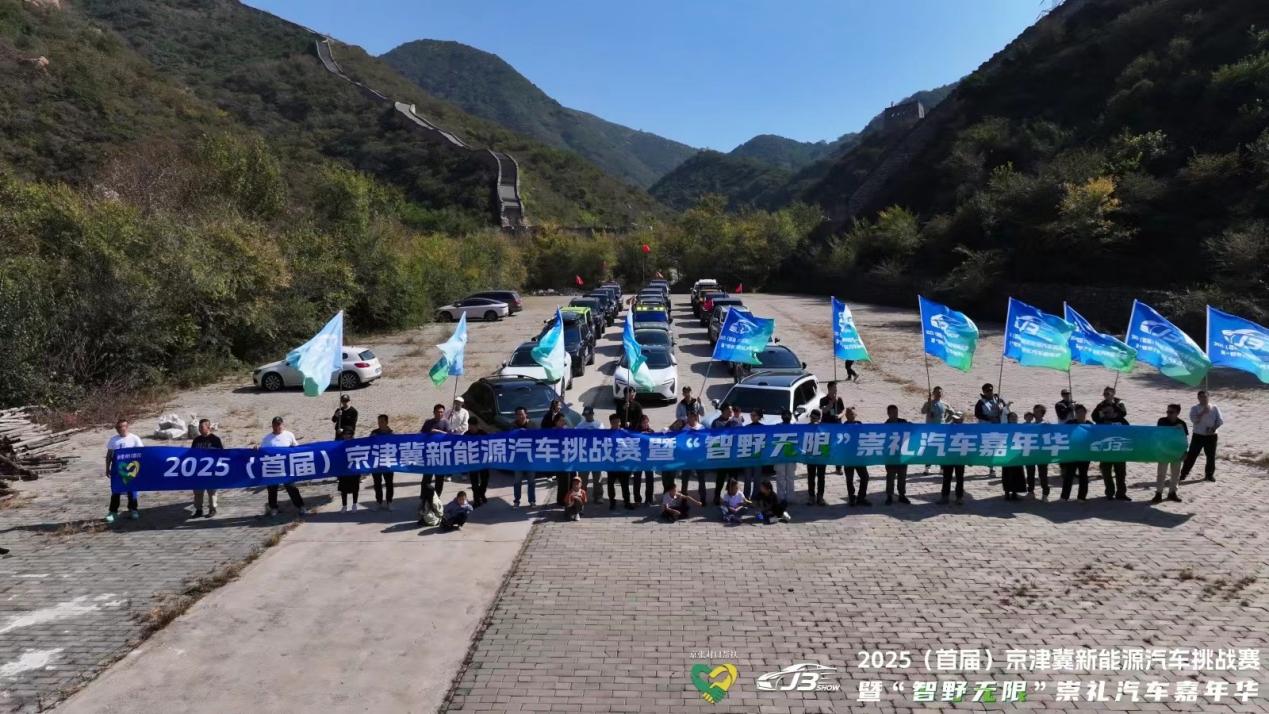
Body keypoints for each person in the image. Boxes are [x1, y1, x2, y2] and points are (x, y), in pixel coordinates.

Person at [261, 417, 308, 517]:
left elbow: (296, 448)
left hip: (287, 468)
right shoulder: (267, 438)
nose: (277, 426)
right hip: (273, 467)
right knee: (272, 489)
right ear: (272, 425)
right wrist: (256, 449)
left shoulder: (289, 435)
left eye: (279, 424)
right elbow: (262, 452)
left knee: (291, 487)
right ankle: (273, 508)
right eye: (275, 424)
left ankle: (301, 506)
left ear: (282, 424)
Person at [1092, 386, 1130, 501]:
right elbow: (1094, 417)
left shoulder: (1120, 407)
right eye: (1105, 394)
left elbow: (1123, 413)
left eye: (1108, 393)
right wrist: (1104, 410)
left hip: (1119, 448)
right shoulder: (1101, 407)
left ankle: (1121, 493)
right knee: (1106, 471)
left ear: (1114, 394)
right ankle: (1109, 492)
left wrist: (1113, 403)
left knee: (1121, 473)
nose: (1106, 396)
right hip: (1105, 448)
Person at [105, 418, 144, 524]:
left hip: (132, 469)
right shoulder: (113, 440)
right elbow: (109, 455)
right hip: (117, 469)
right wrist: (107, 468)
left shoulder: (135, 439)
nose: (120, 429)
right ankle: (113, 512)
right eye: (118, 427)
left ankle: (133, 510)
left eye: (122, 426)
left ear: (127, 427)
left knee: (132, 490)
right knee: (116, 490)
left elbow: (142, 454)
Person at [1181, 390, 1222, 482]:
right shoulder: (1194, 408)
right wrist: (1203, 412)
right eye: (1201, 397)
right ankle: (1183, 474)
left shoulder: (1215, 408)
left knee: (1211, 456)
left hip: (1211, 436)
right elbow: (1194, 420)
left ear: (1208, 397)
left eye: (1205, 396)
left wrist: (1213, 428)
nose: (1204, 398)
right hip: (1198, 435)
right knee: (1192, 455)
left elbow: (1220, 421)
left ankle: (1209, 475)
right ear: (1198, 398)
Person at [1153, 404, 1188, 503]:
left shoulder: (1182, 423)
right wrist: (1174, 429)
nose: (1168, 414)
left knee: (1175, 474)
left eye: (1171, 412)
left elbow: (1184, 439)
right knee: (1161, 474)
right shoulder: (1162, 421)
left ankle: (1172, 492)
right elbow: (1159, 434)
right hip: (1163, 450)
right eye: (1167, 411)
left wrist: (1185, 451)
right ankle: (1158, 493)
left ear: (1177, 413)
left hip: (1177, 451)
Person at [420, 403, 451, 505]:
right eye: (438, 412)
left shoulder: (446, 423)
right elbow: (421, 435)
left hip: (441, 455)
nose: (440, 413)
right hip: (429, 454)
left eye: (442, 412)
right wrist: (430, 433)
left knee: (439, 479)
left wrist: (438, 432)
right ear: (434, 412)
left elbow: (450, 436)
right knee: (426, 479)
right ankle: (424, 498)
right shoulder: (428, 422)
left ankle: (436, 498)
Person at [1060, 405, 1092, 501]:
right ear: (1075, 413)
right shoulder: (1070, 423)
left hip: (1085, 455)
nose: (1080, 414)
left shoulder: (1090, 424)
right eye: (1078, 412)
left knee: (1083, 475)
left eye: (1082, 412)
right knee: (1069, 475)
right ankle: (1064, 496)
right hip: (1072, 454)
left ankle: (1081, 497)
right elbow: (1060, 430)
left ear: (1085, 413)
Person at [190, 418, 222, 518]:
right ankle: (198, 510)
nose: (199, 429)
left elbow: (221, 455)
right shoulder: (196, 440)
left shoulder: (215, 440)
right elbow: (191, 455)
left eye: (201, 427)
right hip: (198, 471)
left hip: (211, 471)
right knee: (198, 492)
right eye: (199, 427)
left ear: (208, 427)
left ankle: (212, 509)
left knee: (212, 492)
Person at [711, 404, 742, 505]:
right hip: (722, 455)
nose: (731, 412)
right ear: (723, 410)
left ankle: (732, 498)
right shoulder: (716, 422)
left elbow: (741, 434)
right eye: (729, 410)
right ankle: (717, 497)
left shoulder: (736, 421)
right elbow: (713, 437)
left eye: (731, 410)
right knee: (720, 478)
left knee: (733, 479)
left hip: (733, 455)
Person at [574, 406, 605, 503]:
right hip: (584, 455)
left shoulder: (599, 424)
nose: (587, 416)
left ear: (592, 414)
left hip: (596, 454)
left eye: (589, 414)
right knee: (583, 478)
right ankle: (582, 496)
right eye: (586, 415)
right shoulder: (579, 426)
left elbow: (603, 438)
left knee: (597, 478)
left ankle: (598, 496)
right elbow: (574, 438)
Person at [677, 411, 708, 504]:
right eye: (689, 417)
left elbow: (706, 441)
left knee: (701, 478)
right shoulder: (684, 429)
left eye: (693, 417)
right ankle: (684, 498)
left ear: (696, 417)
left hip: (699, 457)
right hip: (687, 458)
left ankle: (703, 498)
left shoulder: (701, 428)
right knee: (685, 479)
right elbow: (680, 442)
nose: (691, 419)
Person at [883, 405, 911, 505]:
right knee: (890, 476)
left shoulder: (903, 422)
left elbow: (912, 430)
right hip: (890, 456)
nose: (895, 414)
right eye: (893, 413)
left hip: (902, 455)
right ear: (888, 413)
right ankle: (889, 496)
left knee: (902, 476)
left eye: (896, 412)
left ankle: (902, 495)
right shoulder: (885, 426)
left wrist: (911, 425)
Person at [842, 407, 870, 506]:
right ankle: (851, 497)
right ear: (846, 415)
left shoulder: (859, 424)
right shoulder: (843, 427)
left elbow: (866, 435)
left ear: (855, 415)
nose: (851, 415)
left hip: (859, 456)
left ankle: (861, 497)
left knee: (865, 477)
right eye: (849, 414)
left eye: (852, 414)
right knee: (849, 479)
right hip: (848, 457)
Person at [606, 413, 633, 510]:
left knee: (625, 484)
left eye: (618, 422)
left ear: (620, 422)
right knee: (610, 484)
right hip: (611, 464)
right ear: (611, 423)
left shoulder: (625, 433)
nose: (616, 424)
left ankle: (627, 502)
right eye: (614, 422)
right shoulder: (606, 434)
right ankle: (612, 502)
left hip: (623, 463)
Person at [510, 407, 536, 507]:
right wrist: (517, 432)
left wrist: (526, 433)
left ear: (526, 414)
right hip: (518, 458)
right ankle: (516, 500)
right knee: (517, 481)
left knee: (531, 481)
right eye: (518, 414)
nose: (520, 416)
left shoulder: (532, 424)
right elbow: (509, 438)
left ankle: (532, 500)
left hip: (530, 457)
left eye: (522, 414)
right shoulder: (513, 425)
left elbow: (537, 439)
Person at [920, 386, 950, 474]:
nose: (938, 394)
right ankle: (928, 467)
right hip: (930, 429)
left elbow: (952, 413)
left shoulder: (945, 404)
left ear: (942, 393)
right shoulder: (928, 403)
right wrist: (928, 403)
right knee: (929, 448)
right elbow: (923, 411)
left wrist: (945, 421)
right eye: (936, 392)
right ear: (933, 393)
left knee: (941, 448)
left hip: (941, 430)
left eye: (940, 392)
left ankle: (942, 468)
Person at [369, 414, 396, 510]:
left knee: (389, 483)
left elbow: (396, 447)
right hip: (376, 462)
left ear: (386, 422)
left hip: (388, 462)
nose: (380, 423)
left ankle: (389, 502)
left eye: (382, 421)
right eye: (379, 421)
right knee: (377, 483)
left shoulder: (391, 433)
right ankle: (379, 502)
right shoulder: (374, 432)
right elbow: (368, 445)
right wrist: (371, 438)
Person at [938, 413, 966, 505]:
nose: (955, 421)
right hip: (948, 457)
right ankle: (945, 496)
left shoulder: (966, 430)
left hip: (960, 458)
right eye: (954, 419)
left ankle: (959, 497)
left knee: (959, 478)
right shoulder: (947, 428)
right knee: (946, 477)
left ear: (962, 420)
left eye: (957, 419)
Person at [820, 382, 846, 475]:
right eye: (834, 388)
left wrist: (839, 415)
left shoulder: (839, 399)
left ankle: (838, 468)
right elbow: (824, 410)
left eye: (836, 388)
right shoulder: (823, 399)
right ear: (829, 389)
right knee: (825, 446)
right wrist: (830, 405)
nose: (836, 390)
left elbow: (843, 410)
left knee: (838, 446)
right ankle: (822, 467)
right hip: (826, 427)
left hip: (837, 426)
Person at [772, 409, 798, 502]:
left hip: (791, 456)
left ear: (791, 417)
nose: (787, 416)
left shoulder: (795, 428)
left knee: (790, 477)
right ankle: (781, 497)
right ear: (782, 417)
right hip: (780, 456)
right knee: (780, 477)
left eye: (788, 415)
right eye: (785, 415)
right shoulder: (777, 427)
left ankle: (790, 497)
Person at [1001, 413, 1027, 500]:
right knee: (1007, 473)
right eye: (1012, 417)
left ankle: (1015, 492)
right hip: (1007, 454)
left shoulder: (1020, 427)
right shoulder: (1004, 428)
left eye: (1015, 417)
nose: (1014, 419)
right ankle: (1007, 492)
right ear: (1008, 419)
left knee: (1017, 473)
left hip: (1017, 454)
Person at [631, 414, 657, 505]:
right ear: (640, 423)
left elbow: (656, 442)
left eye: (646, 422)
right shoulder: (636, 432)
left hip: (648, 459)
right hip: (638, 459)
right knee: (637, 479)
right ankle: (637, 499)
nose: (645, 424)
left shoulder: (651, 431)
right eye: (643, 423)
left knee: (649, 479)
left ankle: (649, 499)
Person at [1026, 405, 1051, 497]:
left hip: (1042, 453)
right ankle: (1031, 491)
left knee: (1043, 474)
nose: (1035, 413)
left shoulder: (1046, 424)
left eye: (1038, 411)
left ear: (1042, 413)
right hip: (1031, 452)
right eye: (1034, 411)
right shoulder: (1031, 425)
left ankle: (1045, 493)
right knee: (1030, 473)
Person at [804, 409, 827, 506]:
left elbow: (827, 441)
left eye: (814, 418)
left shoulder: (823, 428)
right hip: (810, 456)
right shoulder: (807, 428)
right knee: (811, 477)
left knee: (821, 477)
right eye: (811, 417)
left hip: (821, 456)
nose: (812, 419)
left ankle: (820, 496)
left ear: (819, 418)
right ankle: (811, 496)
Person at [552, 413, 576, 506]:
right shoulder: (552, 432)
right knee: (563, 482)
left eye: (564, 420)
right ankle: (562, 500)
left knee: (572, 480)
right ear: (556, 422)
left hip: (570, 459)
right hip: (559, 462)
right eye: (561, 420)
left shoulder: (568, 431)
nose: (563, 422)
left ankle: (570, 498)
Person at [741, 409, 766, 498]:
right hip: (748, 455)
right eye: (751, 415)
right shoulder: (747, 427)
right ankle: (746, 496)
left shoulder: (763, 428)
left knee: (757, 478)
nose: (752, 417)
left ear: (759, 417)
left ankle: (755, 496)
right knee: (747, 478)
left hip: (758, 456)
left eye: (754, 415)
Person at [336, 428, 361, 512]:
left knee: (355, 488)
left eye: (349, 434)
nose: (347, 436)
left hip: (354, 469)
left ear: (352, 435)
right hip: (343, 469)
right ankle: (344, 506)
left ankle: (354, 504)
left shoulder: (356, 444)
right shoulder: (339, 444)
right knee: (343, 489)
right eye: (345, 434)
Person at [466, 424, 491, 507]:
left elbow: (490, 443)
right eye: (470, 426)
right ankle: (476, 500)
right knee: (474, 484)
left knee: (485, 481)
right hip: (472, 463)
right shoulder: (466, 434)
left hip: (483, 462)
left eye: (473, 426)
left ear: (477, 426)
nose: (471, 428)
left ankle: (481, 494)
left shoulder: (483, 433)